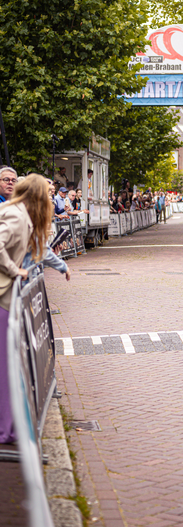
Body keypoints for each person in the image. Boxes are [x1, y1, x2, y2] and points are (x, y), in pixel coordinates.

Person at [0, 174, 54, 444]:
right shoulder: (18, 216)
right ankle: (7, 429)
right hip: (2, 296)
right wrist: (14, 270)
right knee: (5, 365)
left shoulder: (16, 212)